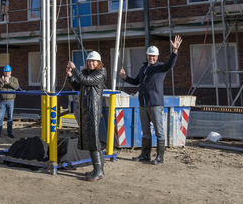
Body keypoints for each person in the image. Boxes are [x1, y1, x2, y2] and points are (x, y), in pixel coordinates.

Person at [120, 36, 183, 165]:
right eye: (149, 56)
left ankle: (160, 157)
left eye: (153, 56)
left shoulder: (161, 67)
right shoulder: (143, 69)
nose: (151, 58)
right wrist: (125, 77)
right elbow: (136, 81)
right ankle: (145, 155)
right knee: (145, 131)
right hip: (143, 103)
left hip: (155, 103)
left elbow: (170, 64)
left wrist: (174, 51)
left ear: (157, 57)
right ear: (147, 56)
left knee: (159, 131)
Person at [67, 51, 107, 181]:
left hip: (92, 110)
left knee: (93, 140)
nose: (91, 63)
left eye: (93, 61)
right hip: (86, 110)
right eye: (89, 61)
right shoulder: (87, 74)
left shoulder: (100, 73)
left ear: (98, 63)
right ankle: (98, 169)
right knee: (91, 140)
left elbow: (85, 80)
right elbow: (79, 86)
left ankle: (99, 171)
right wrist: (70, 77)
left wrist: (74, 69)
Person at [0, 65, 19, 139]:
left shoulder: (14, 79)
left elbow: (17, 87)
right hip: (2, 100)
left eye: (8, 72)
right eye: (5, 72)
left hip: (11, 101)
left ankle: (9, 132)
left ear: (11, 72)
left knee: (10, 117)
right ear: (3, 72)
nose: (7, 73)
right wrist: (2, 83)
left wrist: (8, 83)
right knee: (1, 117)